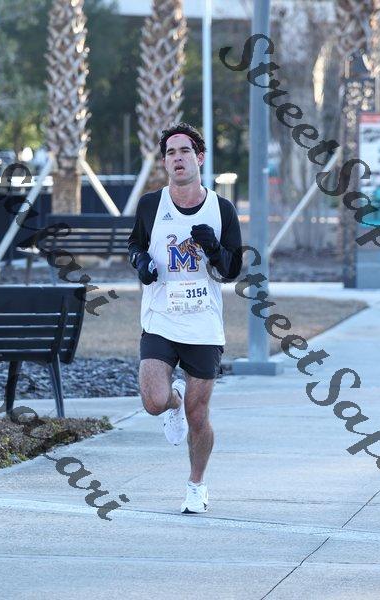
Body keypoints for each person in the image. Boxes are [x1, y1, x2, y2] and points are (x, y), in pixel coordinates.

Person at [128, 122, 242, 514]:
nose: (178, 158)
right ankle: (171, 403)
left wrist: (214, 248)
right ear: (165, 162)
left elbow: (232, 270)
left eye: (185, 151)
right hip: (160, 317)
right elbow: (135, 244)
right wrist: (140, 263)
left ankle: (196, 485)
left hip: (203, 323)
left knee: (198, 415)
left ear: (200, 158)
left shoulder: (221, 209)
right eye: (171, 153)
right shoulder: (150, 205)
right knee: (153, 401)